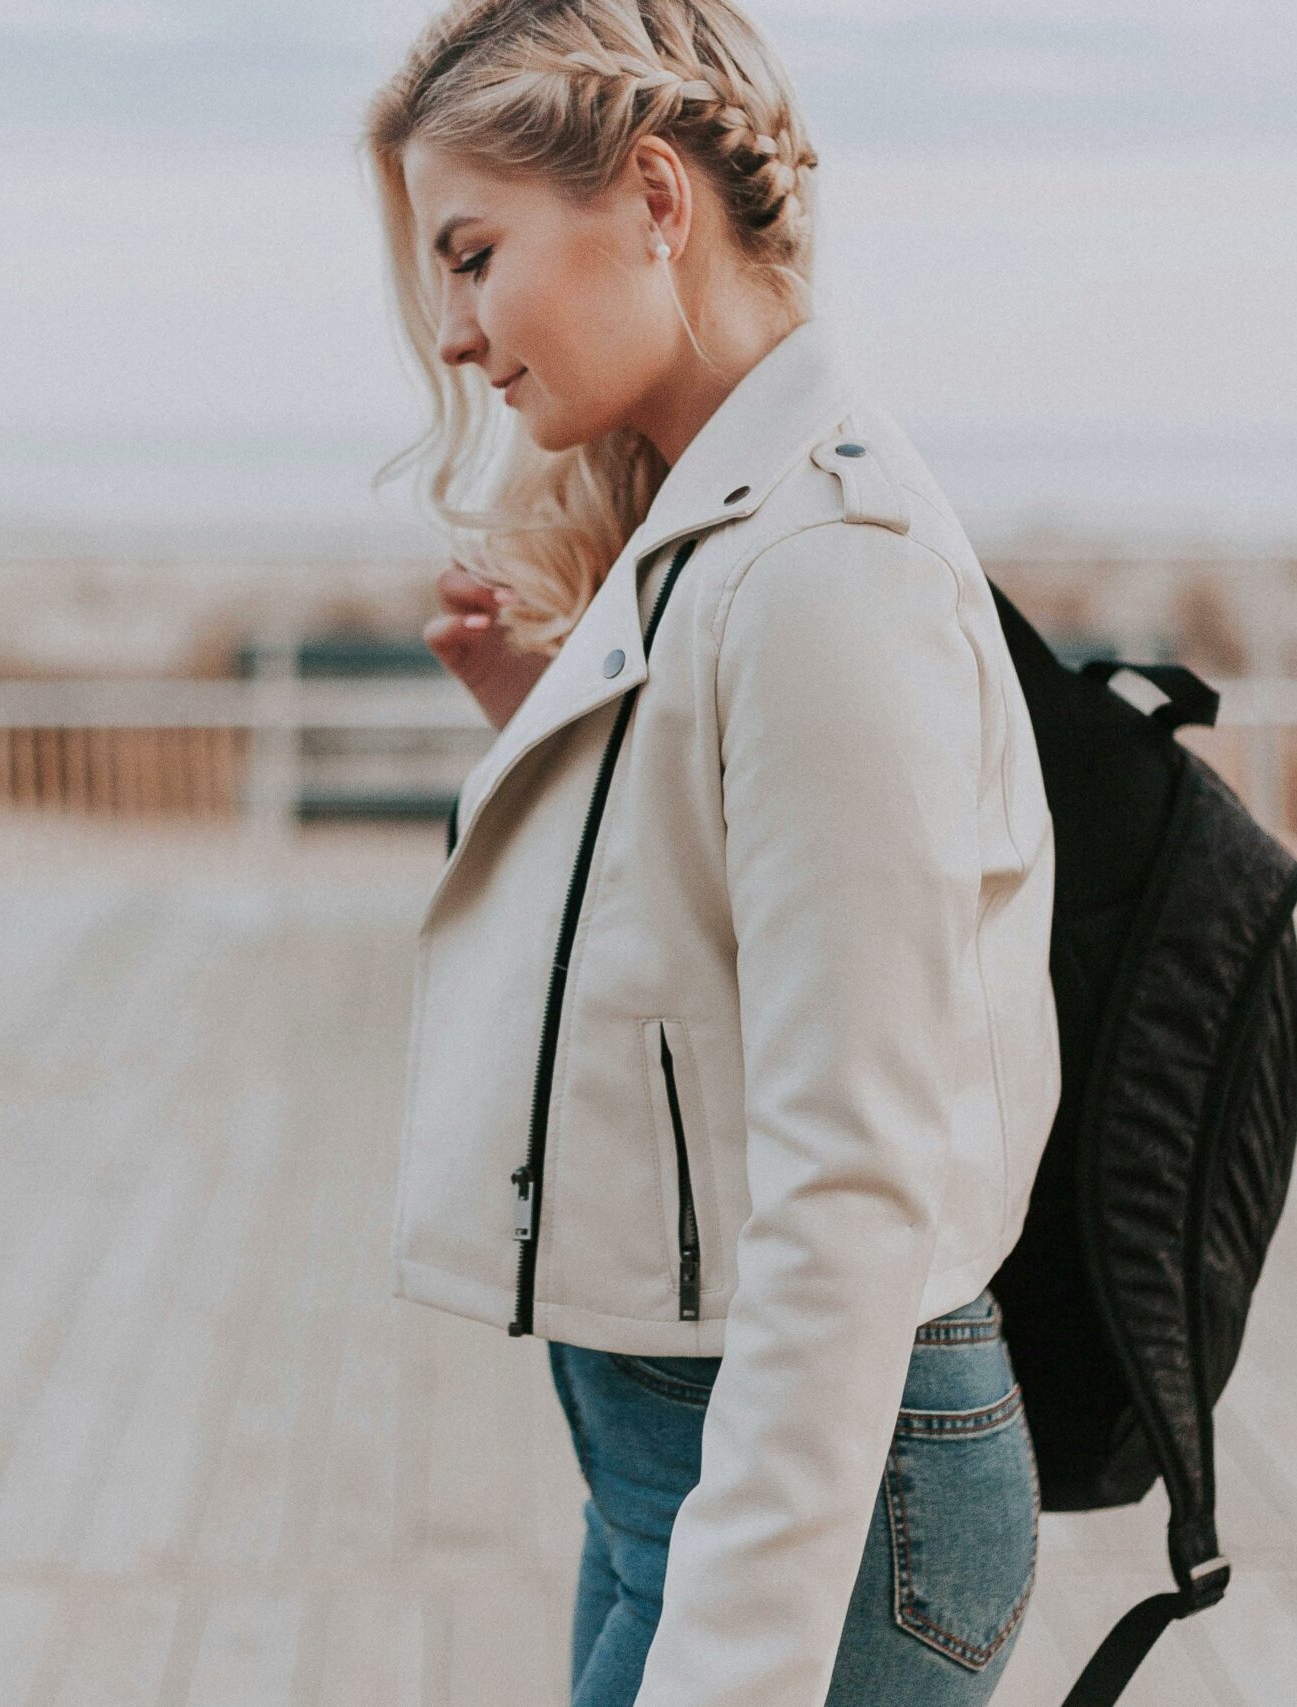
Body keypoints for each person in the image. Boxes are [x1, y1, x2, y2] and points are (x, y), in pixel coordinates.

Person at [363, 4, 1063, 1704]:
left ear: (655, 202)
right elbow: (707, 938)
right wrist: (550, 714)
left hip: (815, 1497)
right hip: (687, 1465)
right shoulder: (718, 527)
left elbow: (852, 1174)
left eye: (475, 255)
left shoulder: (827, 567)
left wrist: (733, 1663)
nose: (457, 334)